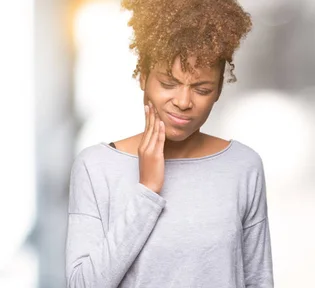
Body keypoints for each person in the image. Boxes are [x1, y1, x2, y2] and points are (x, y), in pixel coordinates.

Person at [64, 0, 273, 287]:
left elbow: (259, 280)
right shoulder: (96, 167)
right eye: (168, 83)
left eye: (202, 89)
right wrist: (147, 191)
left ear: (219, 90)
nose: (184, 102)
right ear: (143, 77)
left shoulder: (243, 166)